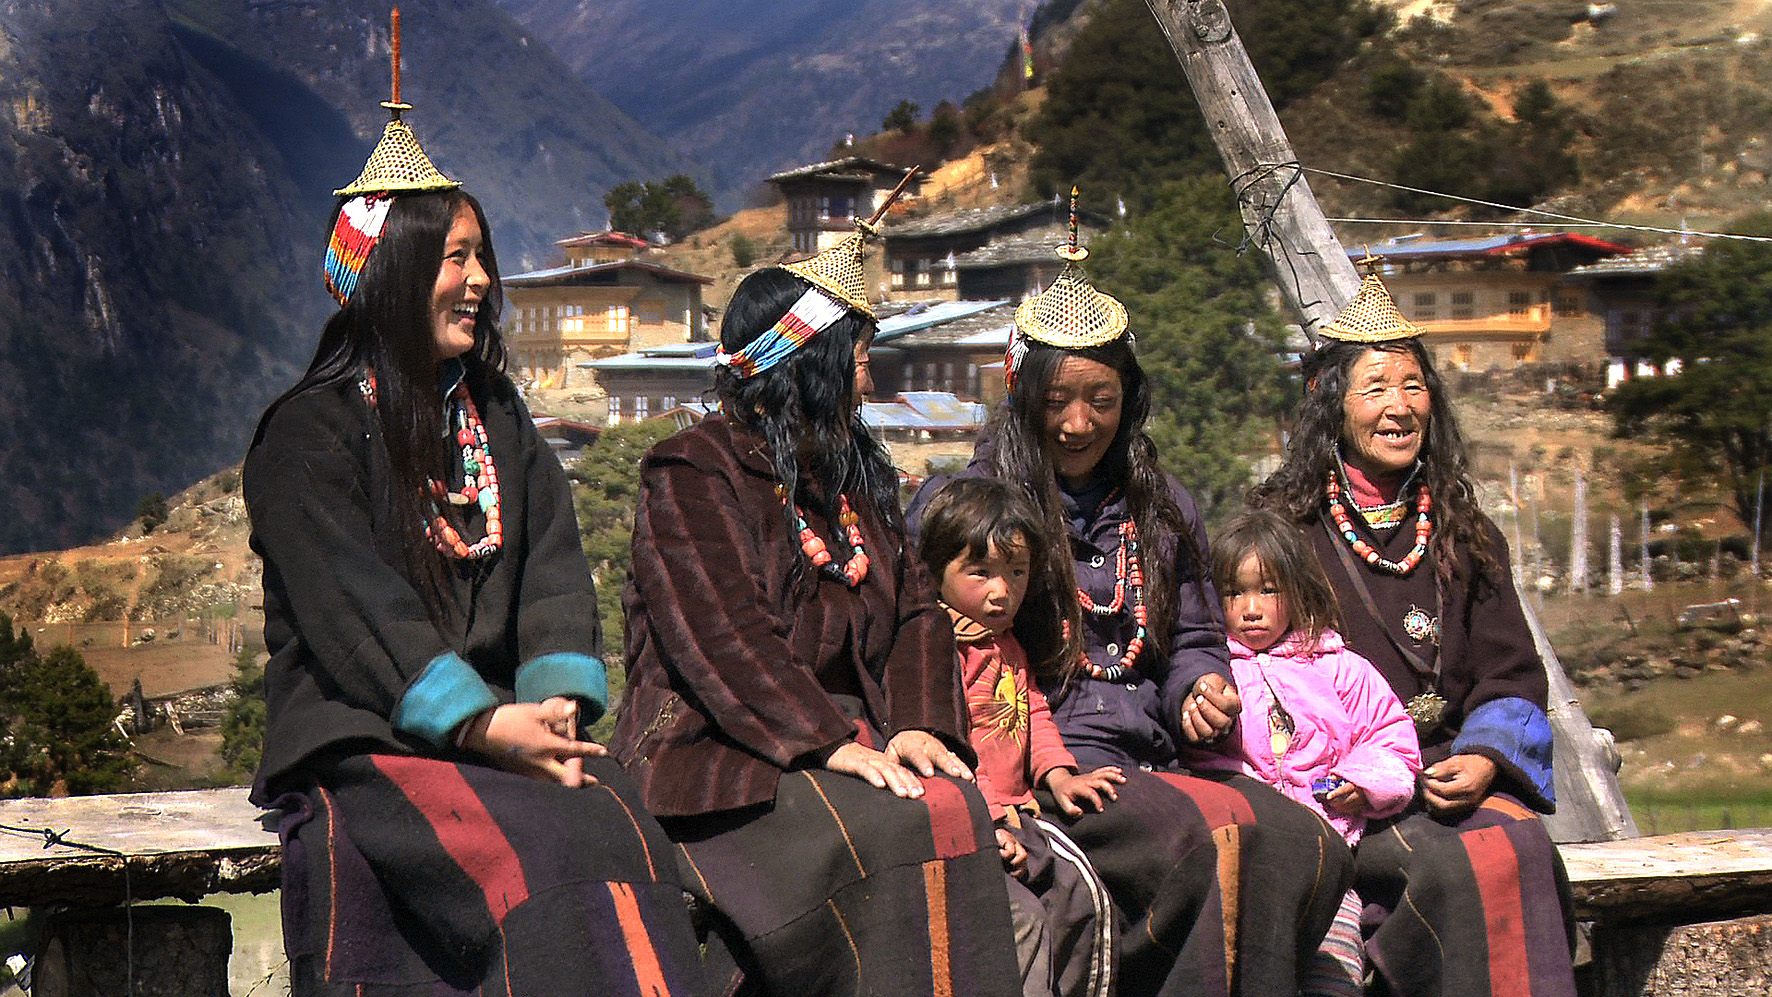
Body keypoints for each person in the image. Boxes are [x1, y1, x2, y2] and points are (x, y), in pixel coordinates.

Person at [244, 63, 706, 997]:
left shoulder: (492, 415)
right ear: (393, 273)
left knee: (617, 818)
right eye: (456, 258)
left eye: (479, 257)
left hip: (500, 715)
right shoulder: (308, 433)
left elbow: (551, 563)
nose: (481, 281)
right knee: (536, 856)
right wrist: (481, 722)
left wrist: (553, 700)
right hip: (365, 729)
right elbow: (355, 612)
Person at [908, 211, 1352, 997]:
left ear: (1130, 399)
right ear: (1022, 394)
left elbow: (1197, 636)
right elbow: (913, 628)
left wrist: (1200, 687)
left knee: (1304, 840)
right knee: (1217, 839)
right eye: (1057, 400)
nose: (1078, 423)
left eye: (1102, 399)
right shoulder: (968, 506)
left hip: (1155, 752)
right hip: (1054, 766)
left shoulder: (1163, 505)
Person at [610, 209, 1023, 997]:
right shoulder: (692, 471)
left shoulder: (854, 481)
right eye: (858, 361)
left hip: (841, 741)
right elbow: (721, 634)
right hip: (717, 760)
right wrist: (823, 740)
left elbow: (916, 611)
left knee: (952, 804)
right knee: (896, 830)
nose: (869, 382)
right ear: (809, 366)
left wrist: (920, 724)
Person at [1250, 270, 1577, 997]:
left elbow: (1512, 673)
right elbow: (1253, 671)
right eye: (1375, 388)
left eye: (1413, 386)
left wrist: (1486, 758)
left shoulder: (1465, 531)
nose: (1399, 407)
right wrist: (1342, 778)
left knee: (1521, 844)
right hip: (1343, 795)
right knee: (1456, 869)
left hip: (1452, 773)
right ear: (1331, 405)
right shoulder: (1282, 534)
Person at [1181, 509, 1421, 997]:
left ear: (1297, 590)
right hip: (1243, 862)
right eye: (1233, 593)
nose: (1251, 609)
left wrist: (1362, 783)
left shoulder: (1340, 668)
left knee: (1332, 966)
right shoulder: (1209, 673)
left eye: (1268, 590)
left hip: (1325, 862)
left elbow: (1390, 737)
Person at [917, 476, 1122, 997]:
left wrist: (1059, 774)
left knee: (1082, 899)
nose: (1001, 591)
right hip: (977, 818)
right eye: (980, 573)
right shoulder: (939, 649)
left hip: (1019, 811)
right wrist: (986, 819)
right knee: (1026, 918)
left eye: (1016, 572)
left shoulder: (1006, 644)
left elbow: (1034, 712)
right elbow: (952, 749)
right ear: (936, 570)